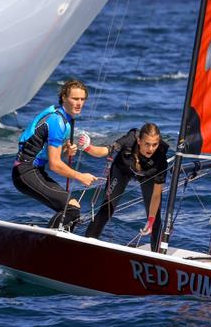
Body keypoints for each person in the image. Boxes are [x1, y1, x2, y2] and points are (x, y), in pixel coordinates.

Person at [12, 79, 100, 231]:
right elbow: (54, 164)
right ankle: (47, 245)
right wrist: (80, 176)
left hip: (35, 171)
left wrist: (67, 152)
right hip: (25, 172)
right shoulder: (57, 120)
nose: (79, 103)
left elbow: (53, 156)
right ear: (64, 97)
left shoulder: (67, 119)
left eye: (82, 99)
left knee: (72, 210)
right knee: (71, 208)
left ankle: (56, 244)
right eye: (75, 99)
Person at [84, 123, 169, 252]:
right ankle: (86, 248)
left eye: (154, 144)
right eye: (147, 144)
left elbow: (156, 194)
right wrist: (88, 147)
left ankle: (158, 257)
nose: (150, 149)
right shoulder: (129, 141)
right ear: (139, 141)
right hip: (122, 170)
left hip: (147, 176)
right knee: (106, 209)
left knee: (155, 221)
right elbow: (106, 151)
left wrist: (150, 221)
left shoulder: (160, 159)